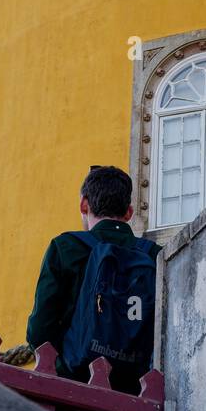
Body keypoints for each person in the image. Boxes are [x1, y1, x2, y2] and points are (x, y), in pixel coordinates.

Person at [26, 165, 161, 395]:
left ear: (84, 205)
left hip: (75, 389)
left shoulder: (65, 247)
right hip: (135, 396)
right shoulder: (154, 255)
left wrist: (63, 367)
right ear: (129, 212)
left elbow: (40, 330)